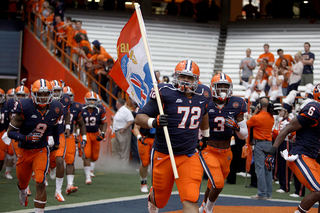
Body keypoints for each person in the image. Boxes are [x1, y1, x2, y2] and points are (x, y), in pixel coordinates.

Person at [135, 60, 211, 213]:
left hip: (189, 155)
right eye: (183, 76)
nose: (186, 81)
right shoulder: (164, 92)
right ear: (176, 76)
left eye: (190, 78)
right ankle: (153, 197)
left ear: (196, 79)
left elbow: (204, 114)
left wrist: (205, 136)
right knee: (160, 200)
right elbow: (139, 118)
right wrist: (153, 121)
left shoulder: (204, 94)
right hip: (164, 153)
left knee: (191, 197)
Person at [7, 79, 63, 213]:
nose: (43, 97)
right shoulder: (24, 106)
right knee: (22, 183)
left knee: (40, 182)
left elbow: (55, 126)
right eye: (40, 94)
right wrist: (26, 138)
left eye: (46, 94)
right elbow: (11, 133)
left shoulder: (56, 108)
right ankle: (22, 191)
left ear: (50, 94)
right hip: (24, 150)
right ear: (33, 94)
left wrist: (56, 142)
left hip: (41, 150)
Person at [265, 84, 320, 213]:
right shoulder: (315, 108)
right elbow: (288, 128)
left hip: (312, 157)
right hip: (300, 155)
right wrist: (273, 150)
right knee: (318, 190)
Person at [199, 73, 248, 213]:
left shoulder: (237, 103)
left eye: (225, 86)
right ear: (212, 88)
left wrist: (237, 127)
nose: (222, 89)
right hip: (208, 149)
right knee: (218, 183)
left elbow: (244, 135)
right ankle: (208, 209)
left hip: (226, 151)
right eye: (219, 86)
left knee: (213, 183)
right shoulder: (205, 102)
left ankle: (204, 204)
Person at [247, 96, 274, 200]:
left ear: (259, 106)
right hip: (269, 143)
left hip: (259, 143)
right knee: (268, 169)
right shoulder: (271, 117)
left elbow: (247, 124)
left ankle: (262, 193)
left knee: (260, 169)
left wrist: (255, 113)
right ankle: (268, 193)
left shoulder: (256, 117)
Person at [49, 80, 72, 202]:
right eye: (54, 91)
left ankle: (58, 191)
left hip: (59, 133)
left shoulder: (66, 100)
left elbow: (67, 112)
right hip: (46, 134)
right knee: (44, 162)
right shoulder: (44, 101)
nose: (56, 93)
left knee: (59, 160)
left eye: (58, 90)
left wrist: (67, 126)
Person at [62, 86, 87, 195]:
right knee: (54, 161)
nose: (68, 98)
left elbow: (81, 123)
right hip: (55, 135)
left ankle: (69, 184)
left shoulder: (77, 106)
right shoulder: (55, 105)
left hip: (69, 135)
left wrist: (84, 137)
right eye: (65, 95)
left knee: (70, 159)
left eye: (70, 95)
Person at [80, 91, 107, 184]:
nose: (91, 102)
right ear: (86, 100)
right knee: (86, 155)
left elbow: (103, 122)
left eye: (93, 100)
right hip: (85, 133)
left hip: (95, 134)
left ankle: (90, 171)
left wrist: (102, 133)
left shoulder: (100, 109)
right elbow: (78, 123)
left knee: (95, 157)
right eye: (90, 99)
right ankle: (88, 177)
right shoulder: (81, 109)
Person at [272, 103, 295, 194]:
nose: (280, 112)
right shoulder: (282, 120)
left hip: (286, 143)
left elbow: (289, 134)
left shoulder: (288, 121)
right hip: (282, 143)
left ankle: (285, 186)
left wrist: (275, 131)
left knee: (285, 165)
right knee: (280, 164)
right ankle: (282, 183)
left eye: (283, 110)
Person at [133, 120, 156, 193]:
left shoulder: (164, 110)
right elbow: (136, 128)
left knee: (157, 162)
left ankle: (156, 184)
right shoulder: (143, 110)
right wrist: (139, 137)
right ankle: (143, 183)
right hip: (144, 138)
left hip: (158, 139)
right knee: (144, 162)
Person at [112, 98, 134, 164]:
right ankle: (119, 164)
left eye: (116, 103)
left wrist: (124, 128)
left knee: (124, 149)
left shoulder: (125, 110)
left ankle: (124, 165)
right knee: (119, 148)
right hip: (118, 131)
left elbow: (131, 120)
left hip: (123, 132)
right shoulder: (120, 110)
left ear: (118, 104)